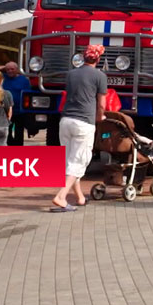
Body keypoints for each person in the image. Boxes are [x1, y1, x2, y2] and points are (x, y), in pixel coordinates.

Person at [52, 45, 107, 212]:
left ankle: (80, 198)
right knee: (79, 162)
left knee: (69, 161)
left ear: (83, 57)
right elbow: (102, 104)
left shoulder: (71, 74)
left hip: (66, 120)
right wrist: (100, 117)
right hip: (84, 122)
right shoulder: (100, 76)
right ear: (98, 59)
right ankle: (61, 196)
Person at [0, 62, 31, 145]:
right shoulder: (3, 77)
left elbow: (28, 94)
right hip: (5, 111)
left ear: (17, 70)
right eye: (8, 69)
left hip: (19, 111)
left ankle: (18, 149)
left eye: (12, 69)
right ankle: (11, 145)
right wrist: (4, 67)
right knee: (6, 132)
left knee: (19, 132)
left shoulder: (24, 80)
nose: (10, 71)